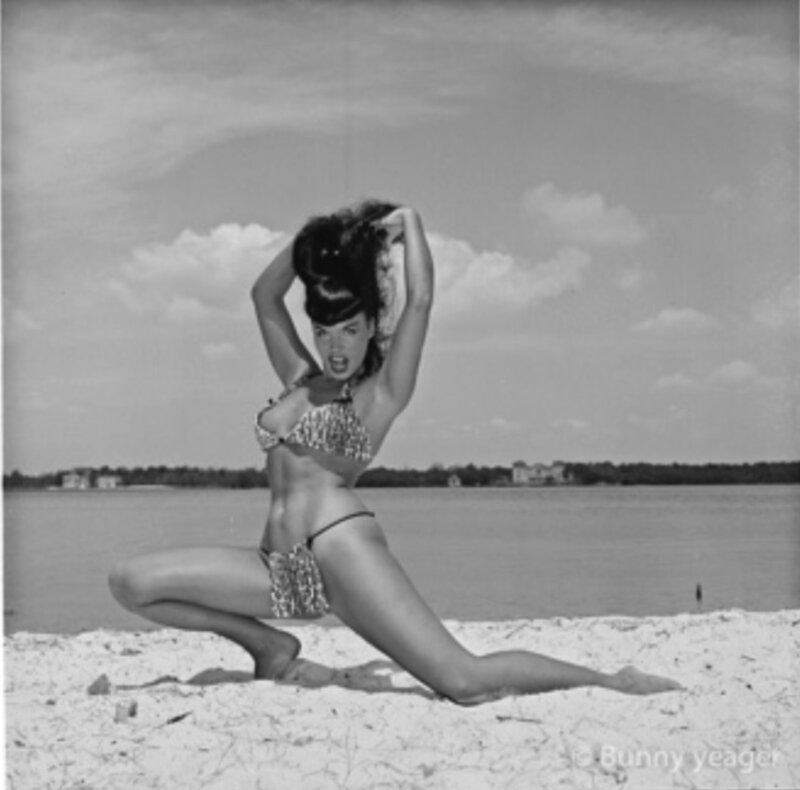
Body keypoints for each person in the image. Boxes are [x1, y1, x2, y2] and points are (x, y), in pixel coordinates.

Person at [109, 200, 682, 703]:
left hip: (340, 552)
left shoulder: (379, 395)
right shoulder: (297, 379)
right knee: (131, 584)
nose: (336, 347)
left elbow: (422, 301)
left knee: (463, 680)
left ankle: (611, 681)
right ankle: (268, 644)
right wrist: (317, 241)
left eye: (350, 331)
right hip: (283, 572)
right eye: (325, 331)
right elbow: (264, 295)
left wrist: (410, 225)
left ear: (369, 328)